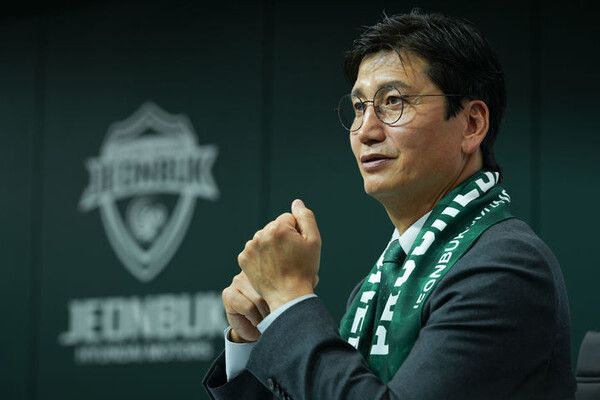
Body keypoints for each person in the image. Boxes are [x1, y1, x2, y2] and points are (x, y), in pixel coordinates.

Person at [203, 10, 576, 400]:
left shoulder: (504, 266)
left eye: (393, 101)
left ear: (472, 124)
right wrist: (256, 337)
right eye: (359, 107)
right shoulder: (380, 284)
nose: (366, 130)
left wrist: (291, 301)